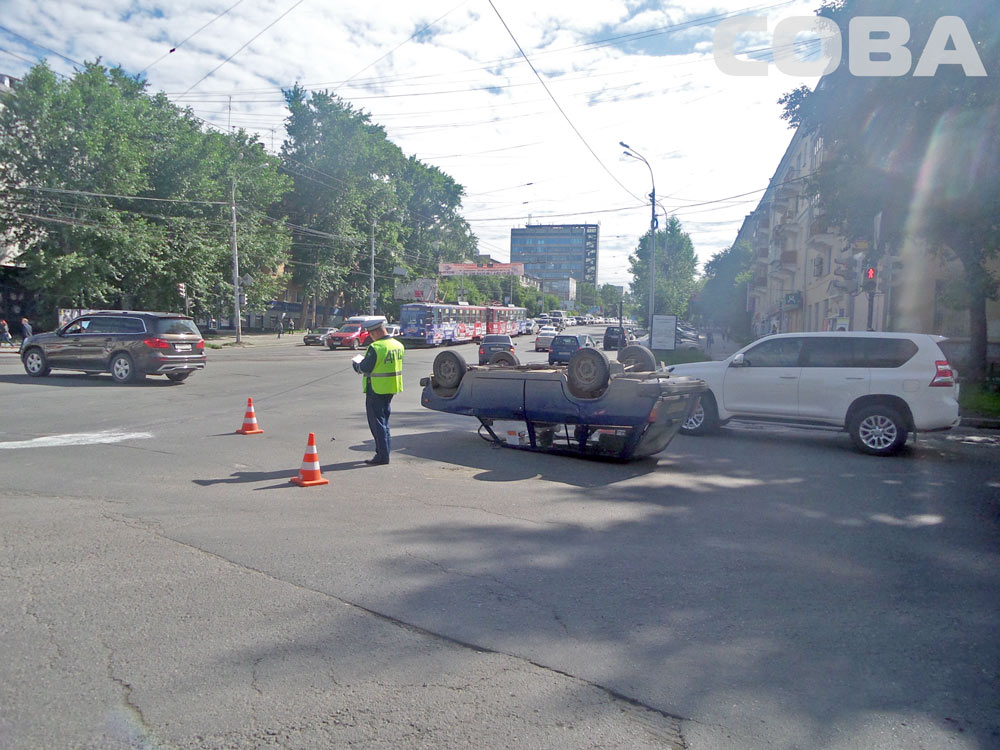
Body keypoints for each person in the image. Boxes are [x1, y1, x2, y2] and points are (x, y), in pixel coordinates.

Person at [353, 319, 404, 465]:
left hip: (376, 388)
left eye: (371, 333)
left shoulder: (376, 347)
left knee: (377, 424)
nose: (370, 336)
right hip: (391, 387)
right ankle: (384, 452)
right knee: (384, 422)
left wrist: (356, 365)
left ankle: (382, 456)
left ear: (376, 332)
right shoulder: (398, 345)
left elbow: (365, 367)